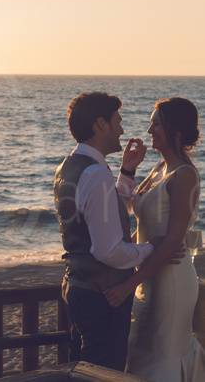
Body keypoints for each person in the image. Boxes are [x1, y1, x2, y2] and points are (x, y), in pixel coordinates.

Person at [53, 92, 183, 371]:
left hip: (77, 285)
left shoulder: (69, 166)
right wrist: (151, 248)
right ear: (100, 125)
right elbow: (108, 250)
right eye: (117, 121)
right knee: (104, 371)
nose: (122, 129)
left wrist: (126, 171)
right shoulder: (96, 174)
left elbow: (106, 216)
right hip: (102, 294)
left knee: (82, 370)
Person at [105, 97, 205, 381]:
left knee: (162, 357)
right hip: (148, 277)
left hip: (171, 280)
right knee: (138, 354)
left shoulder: (184, 174)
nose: (150, 131)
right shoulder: (158, 169)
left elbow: (173, 241)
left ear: (174, 131)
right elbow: (131, 213)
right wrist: (128, 168)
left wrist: (128, 284)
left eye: (156, 124)